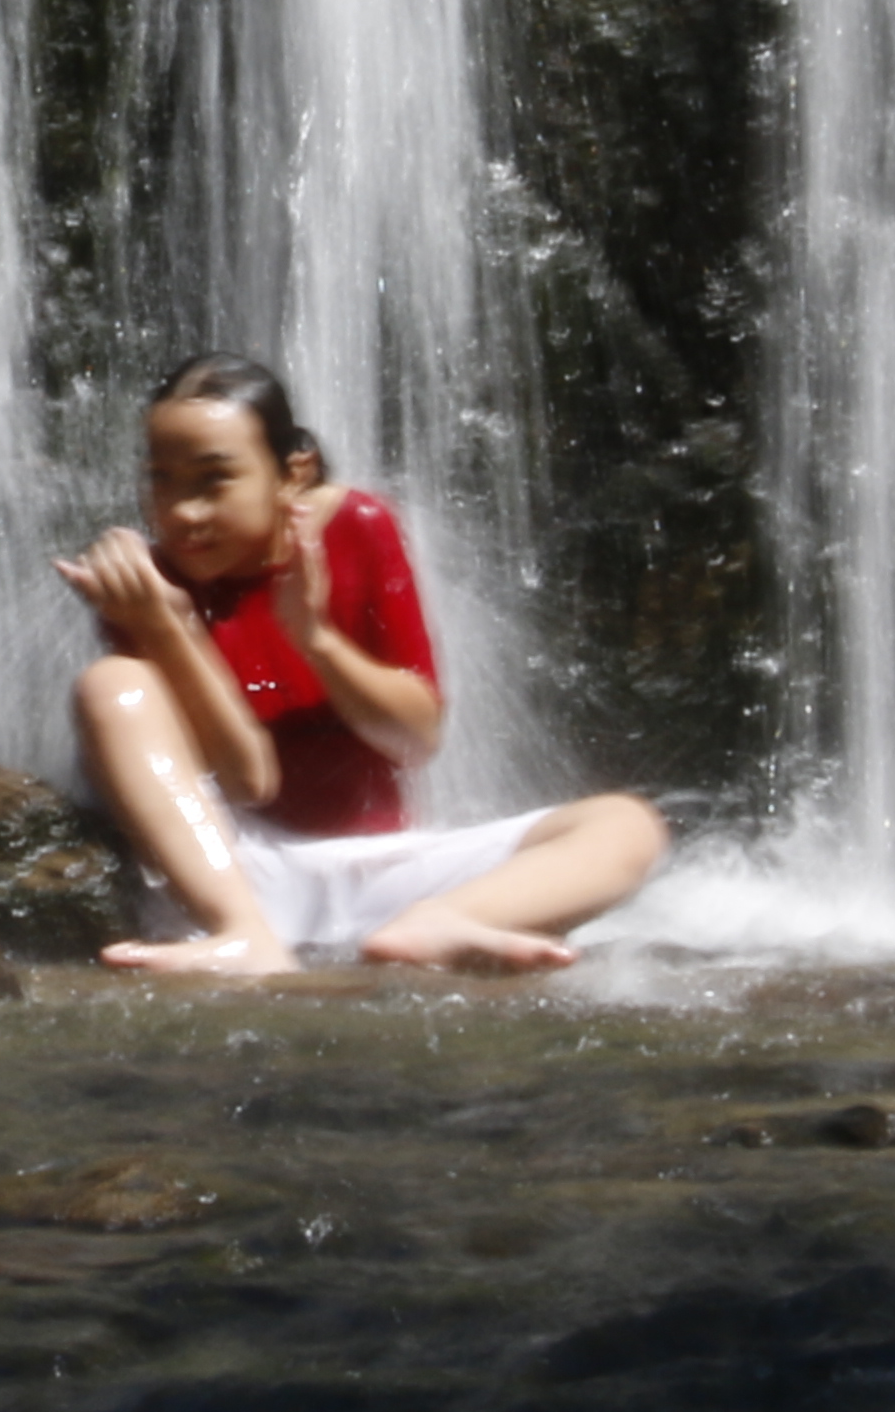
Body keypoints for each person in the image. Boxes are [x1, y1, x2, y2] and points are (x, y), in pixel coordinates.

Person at [54, 355, 667, 977]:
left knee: (626, 824)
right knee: (114, 686)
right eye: (162, 481)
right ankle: (241, 937)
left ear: (292, 474)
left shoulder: (359, 529)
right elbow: (248, 781)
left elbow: (415, 739)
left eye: (213, 482)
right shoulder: (146, 587)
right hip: (237, 873)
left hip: (389, 872)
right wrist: (170, 626)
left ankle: (443, 921)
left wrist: (316, 638)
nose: (183, 513)